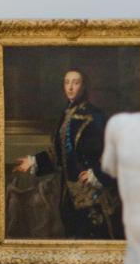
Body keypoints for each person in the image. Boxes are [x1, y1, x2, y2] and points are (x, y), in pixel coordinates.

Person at [14, 68, 123, 240]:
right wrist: (34, 161)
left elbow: (111, 150)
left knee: (95, 241)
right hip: (69, 194)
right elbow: (59, 154)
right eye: (67, 82)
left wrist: (97, 174)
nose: (70, 87)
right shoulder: (66, 114)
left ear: (84, 86)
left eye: (75, 82)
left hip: (92, 194)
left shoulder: (94, 115)